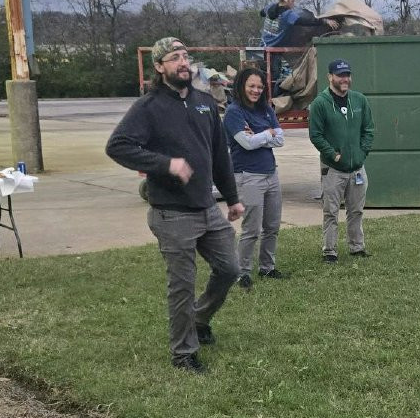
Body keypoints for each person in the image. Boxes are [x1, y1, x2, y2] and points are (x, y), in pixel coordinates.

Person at [106, 36, 245, 372]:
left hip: (207, 208)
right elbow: (118, 146)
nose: (183, 63)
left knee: (230, 269)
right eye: (173, 58)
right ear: (159, 67)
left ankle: (199, 319)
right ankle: (184, 353)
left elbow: (220, 156)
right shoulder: (148, 106)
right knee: (182, 284)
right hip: (172, 213)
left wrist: (233, 198)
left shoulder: (204, 102)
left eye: (185, 56)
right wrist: (166, 164)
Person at [223, 63, 288, 288]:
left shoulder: (265, 109)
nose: (256, 90)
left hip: (271, 174)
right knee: (251, 229)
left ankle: (267, 268)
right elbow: (246, 144)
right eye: (252, 86)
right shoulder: (233, 113)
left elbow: (280, 139)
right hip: (248, 176)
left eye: (260, 87)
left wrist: (260, 135)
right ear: (241, 86)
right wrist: (267, 133)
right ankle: (242, 273)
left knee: (272, 226)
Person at [307, 58, 374, 264]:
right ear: (330, 77)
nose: (344, 79)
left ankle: (357, 247)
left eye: (347, 75)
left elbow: (368, 130)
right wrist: (332, 154)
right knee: (331, 212)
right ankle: (330, 251)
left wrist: (362, 154)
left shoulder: (359, 100)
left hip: (357, 168)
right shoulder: (320, 103)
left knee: (356, 210)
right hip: (333, 169)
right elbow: (315, 135)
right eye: (340, 75)